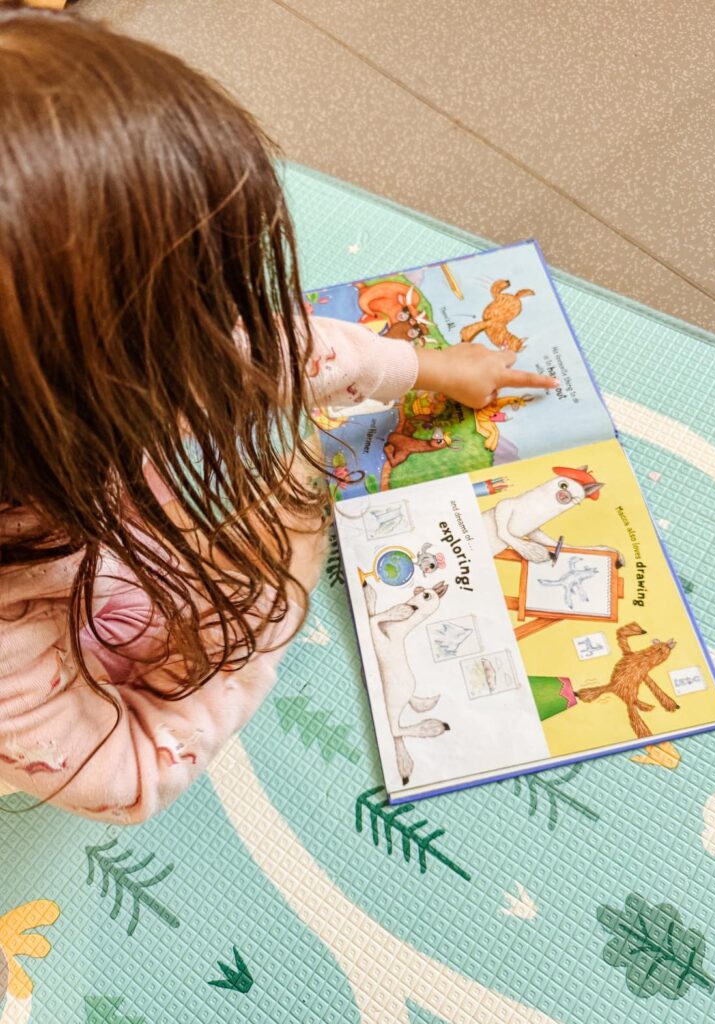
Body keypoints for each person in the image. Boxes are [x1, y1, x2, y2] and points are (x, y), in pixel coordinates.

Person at [0, 3, 557, 822]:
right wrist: (281, 558)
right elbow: (131, 777)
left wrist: (424, 365)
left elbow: (252, 356)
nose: (223, 326)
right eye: (172, 311)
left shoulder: (74, 378)